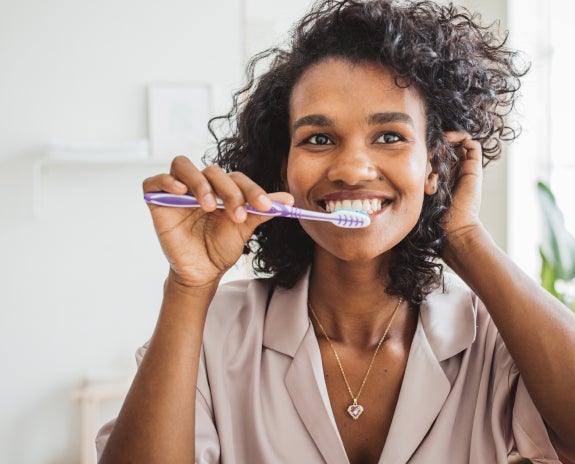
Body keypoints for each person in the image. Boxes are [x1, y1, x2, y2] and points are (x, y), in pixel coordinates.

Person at [97, 0, 575, 462]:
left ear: (434, 166)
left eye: (389, 136)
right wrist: (189, 285)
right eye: (319, 139)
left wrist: (466, 238)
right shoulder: (214, 333)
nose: (351, 169)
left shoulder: (491, 337)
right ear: (283, 169)